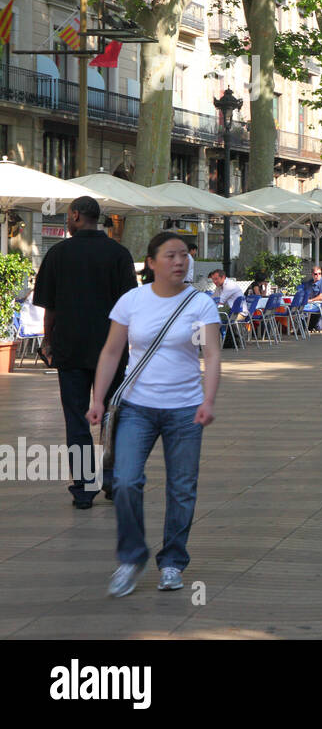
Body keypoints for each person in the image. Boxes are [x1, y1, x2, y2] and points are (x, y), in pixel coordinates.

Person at [88, 231, 221, 598]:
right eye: (170, 255)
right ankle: (131, 558)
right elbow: (112, 352)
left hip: (184, 409)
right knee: (126, 481)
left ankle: (173, 562)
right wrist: (97, 399)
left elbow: (211, 356)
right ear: (151, 262)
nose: (180, 262)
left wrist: (207, 400)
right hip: (136, 407)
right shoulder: (132, 300)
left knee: (182, 488)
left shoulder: (200, 304)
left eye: (184, 255)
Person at [32, 196, 137, 509]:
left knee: (76, 418)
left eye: (68, 216)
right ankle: (114, 480)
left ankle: (83, 488)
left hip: (70, 348)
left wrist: (48, 341)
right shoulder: (119, 254)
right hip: (112, 349)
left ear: (76, 216)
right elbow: (130, 308)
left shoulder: (58, 254)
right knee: (112, 416)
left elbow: (49, 309)